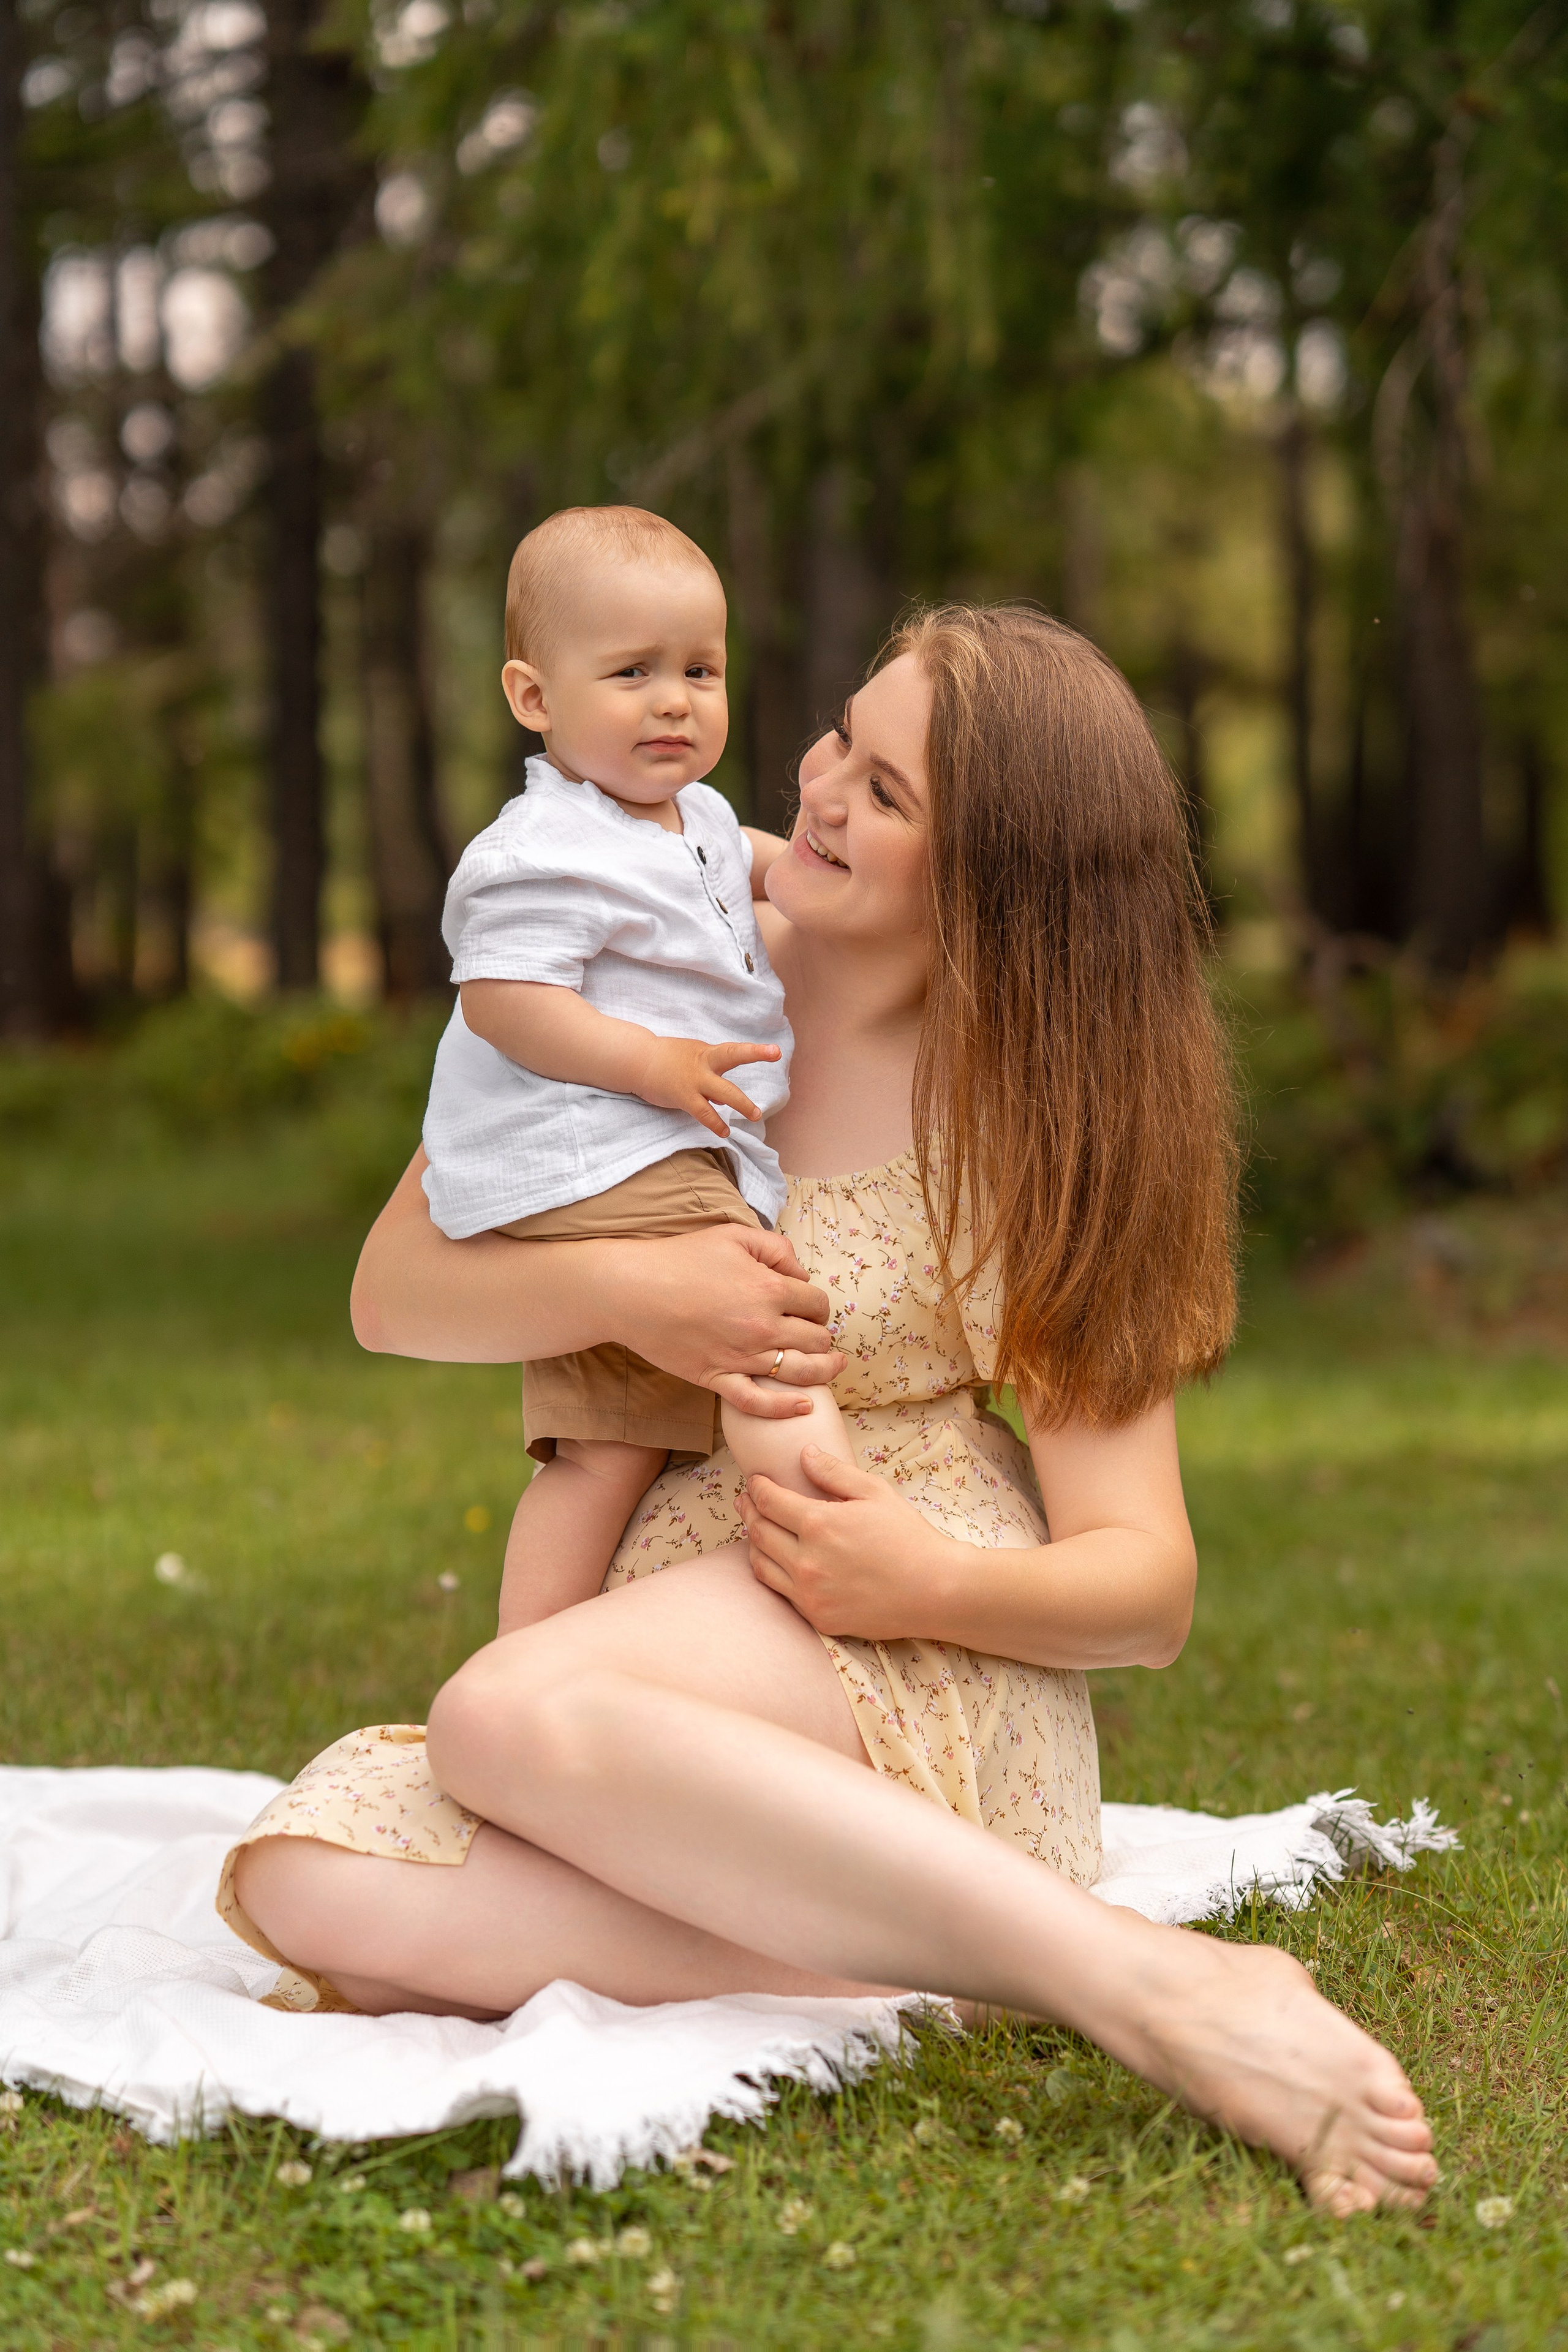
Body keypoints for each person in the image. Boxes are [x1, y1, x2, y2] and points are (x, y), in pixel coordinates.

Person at [221, 605, 1436, 2216]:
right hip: (684, 1628)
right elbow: (396, 1289)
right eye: (841, 738)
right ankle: (972, 1951)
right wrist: (633, 1296)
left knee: (503, 1718)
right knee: (307, 1874)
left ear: (1001, 888)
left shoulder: (1034, 1115)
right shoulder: (645, 951)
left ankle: (1156, 1994)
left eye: (890, 790)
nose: (820, 788)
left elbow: (1145, 1587)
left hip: (910, 1616)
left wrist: (921, 1580)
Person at [423, 503, 856, 1632]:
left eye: (701, 670)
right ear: (535, 697)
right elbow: (503, 1000)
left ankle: (532, 1664)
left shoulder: (692, 815)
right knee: (762, 1307)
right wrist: (646, 1061)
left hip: (662, 1139)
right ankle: (832, 1510)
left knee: (608, 1448)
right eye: (632, 672)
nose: (675, 700)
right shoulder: (540, 850)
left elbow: (756, 863)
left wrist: (817, 872)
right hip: (603, 1147)